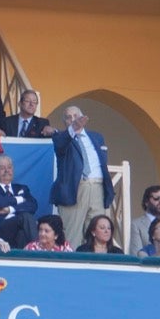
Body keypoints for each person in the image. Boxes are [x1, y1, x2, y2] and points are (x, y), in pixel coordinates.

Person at [51, 106, 115, 248]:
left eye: (76, 116)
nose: (73, 119)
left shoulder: (97, 137)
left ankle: (96, 266)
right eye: (69, 117)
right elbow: (60, 145)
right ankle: (71, 268)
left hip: (97, 187)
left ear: (82, 118)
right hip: (75, 189)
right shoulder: (61, 137)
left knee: (97, 231)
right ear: (65, 122)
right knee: (72, 233)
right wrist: (72, 129)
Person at [128, 185, 160, 256]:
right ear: (146, 202)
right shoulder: (136, 224)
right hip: (149, 265)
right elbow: (136, 255)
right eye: (156, 199)